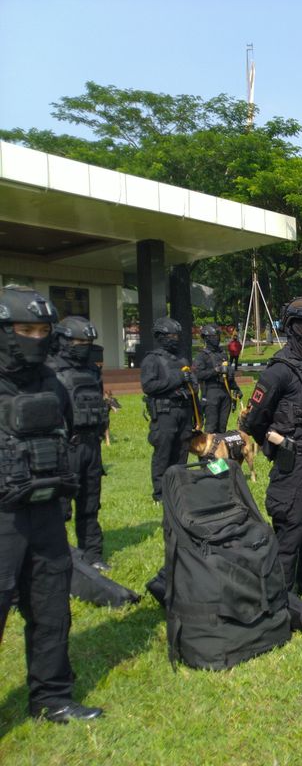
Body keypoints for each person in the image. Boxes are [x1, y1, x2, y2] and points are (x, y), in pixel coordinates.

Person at [0, 287, 103, 723]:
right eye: (25, 330)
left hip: (45, 513)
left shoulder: (53, 382)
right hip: (3, 518)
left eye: (42, 330)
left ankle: (51, 697)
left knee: (50, 607)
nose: (35, 338)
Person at [239, 296, 302, 595]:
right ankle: (281, 595)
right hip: (294, 464)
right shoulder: (279, 371)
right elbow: (254, 420)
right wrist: (276, 448)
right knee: (290, 528)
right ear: (297, 327)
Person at [47, 316, 110, 570]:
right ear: (63, 340)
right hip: (65, 447)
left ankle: (92, 555)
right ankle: (58, 557)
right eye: (78, 341)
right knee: (60, 507)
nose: (83, 345)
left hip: (91, 445)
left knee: (90, 501)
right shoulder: (50, 369)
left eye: (88, 341)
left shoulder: (92, 369)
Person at [141, 317, 199, 502]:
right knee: (163, 453)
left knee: (182, 451)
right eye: (171, 335)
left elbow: (192, 384)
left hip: (184, 411)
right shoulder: (152, 360)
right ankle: (159, 494)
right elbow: (149, 386)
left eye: (177, 335)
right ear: (160, 336)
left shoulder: (182, 358)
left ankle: (179, 489)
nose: (175, 339)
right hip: (165, 412)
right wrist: (178, 378)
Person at [193, 325, 242, 433]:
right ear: (206, 338)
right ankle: (210, 450)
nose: (217, 338)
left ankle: (220, 449)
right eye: (214, 336)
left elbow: (229, 374)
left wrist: (236, 388)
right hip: (211, 393)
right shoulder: (201, 356)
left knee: (222, 427)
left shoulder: (222, 353)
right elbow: (198, 375)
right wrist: (215, 371)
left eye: (218, 335)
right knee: (211, 427)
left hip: (225, 393)